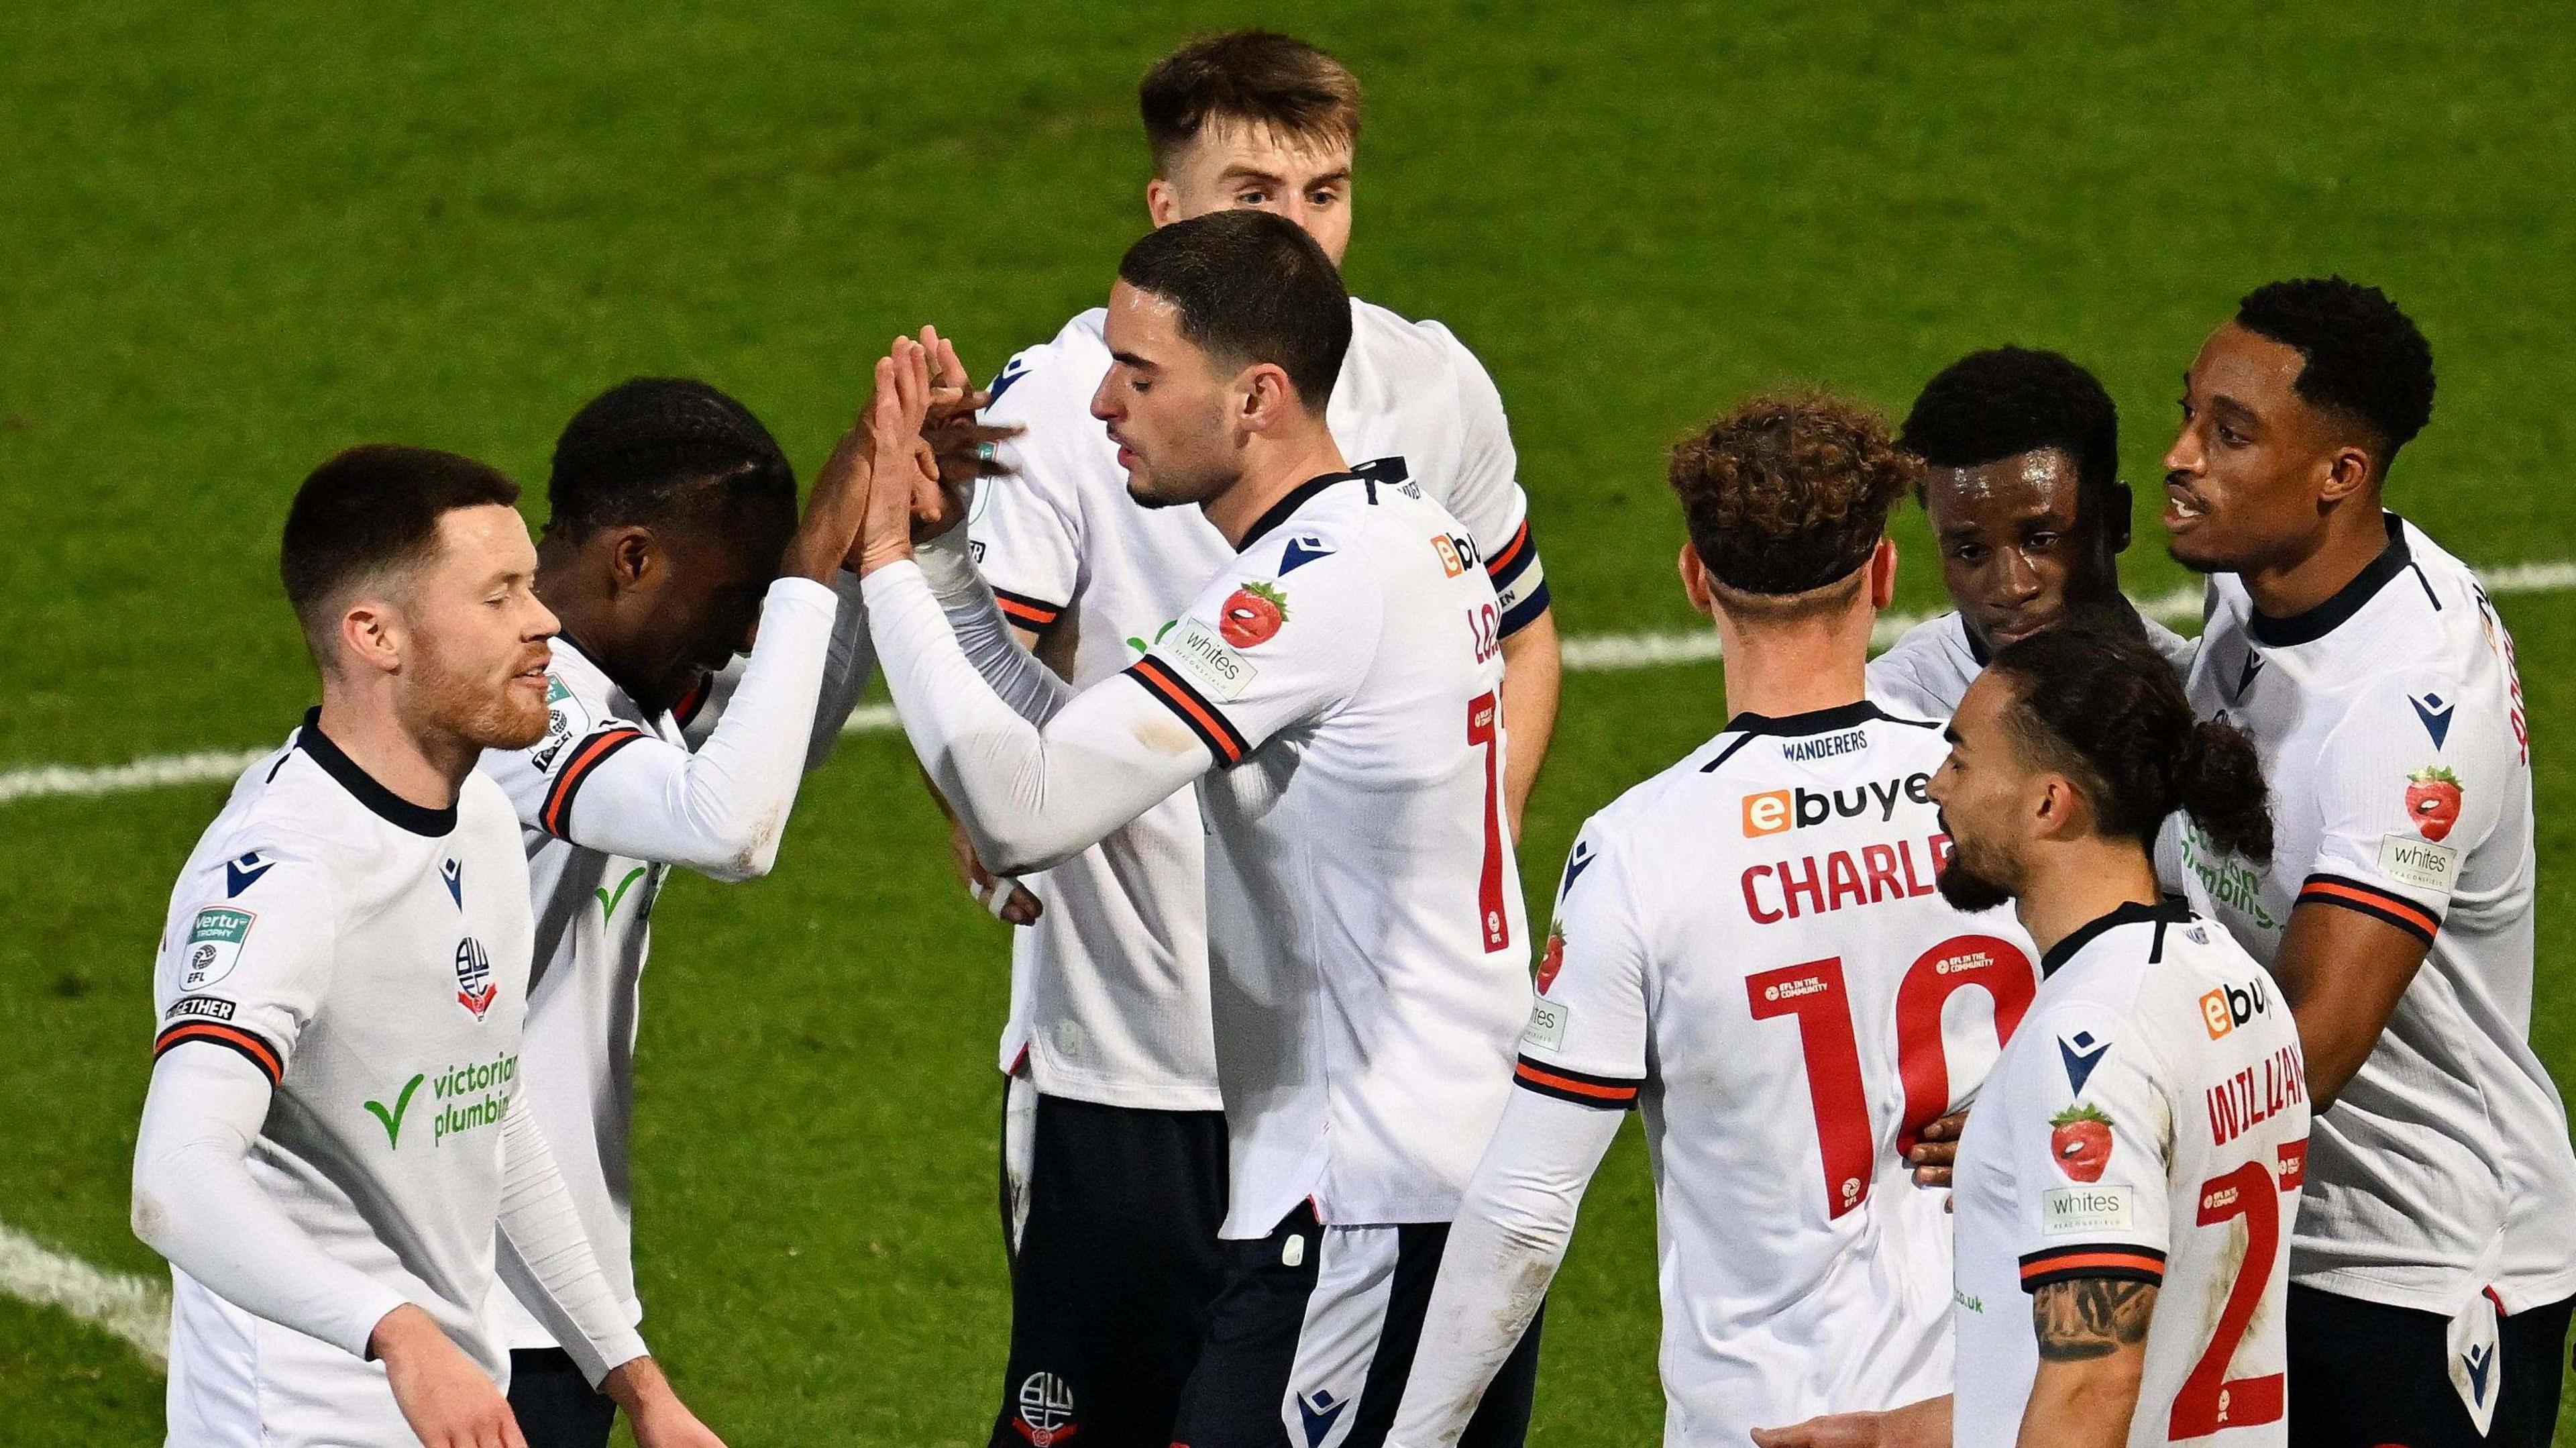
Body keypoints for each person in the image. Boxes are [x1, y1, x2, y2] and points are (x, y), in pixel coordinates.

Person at [957, 32, 1564, 1447]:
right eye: (1257, 193)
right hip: (1136, 1070)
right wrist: (986, 810)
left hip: (1354, 1094)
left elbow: (1524, 631)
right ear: (1165, 216)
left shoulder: (1433, 384)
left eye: (1328, 193)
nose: (1302, 232)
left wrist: (1452, 839)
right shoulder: (1065, 401)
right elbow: (1000, 657)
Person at [1386, 395, 2039, 1448]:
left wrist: (1414, 1436)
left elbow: (1525, 1204)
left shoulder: (1640, 848)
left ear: (1695, 579)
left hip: (1762, 1423)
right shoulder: (2008, 797)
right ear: (1884, 575)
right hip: (1991, 1409)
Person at [133, 446, 724, 1448]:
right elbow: (175, 1178)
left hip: (449, 1419)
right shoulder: (286, 875)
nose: (545, 623)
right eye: (499, 597)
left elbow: (485, 1114)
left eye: (532, 587)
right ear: (376, 634)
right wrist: (399, 1332)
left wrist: (636, 1382)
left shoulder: (481, 822)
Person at [480, 376, 997, 1447]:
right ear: (633, 559)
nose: (741, 635)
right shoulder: (517, 715)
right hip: (470, 1298)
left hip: (554, 1295)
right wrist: (810, 563)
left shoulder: (615, 688)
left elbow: (775, 737)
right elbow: (734, 830)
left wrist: (869, 546)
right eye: (735, 597)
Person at [2161, 278, 2576, 1446]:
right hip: (2275, 1212)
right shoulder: (2259, 578)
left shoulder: (2410, 700)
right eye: (2188, 413)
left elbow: (2320, 1033)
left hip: (2420, 1256)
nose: (2181, 456)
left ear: (2340, 473)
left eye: (2230, 434)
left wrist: (2078, 1122)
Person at [1932, 626, 2308, 1448]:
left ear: (2049, 803)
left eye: (1961, 761)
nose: (1937, 787)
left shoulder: (2088, 1039)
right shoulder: (2236, 981)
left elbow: (2095, 1379)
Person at [1869, 346, 2194, 721]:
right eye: (1971, 552)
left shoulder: (2202, 696)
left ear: (2116, 520)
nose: (2011, 589)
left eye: (2039, 541)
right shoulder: (1898, 713)